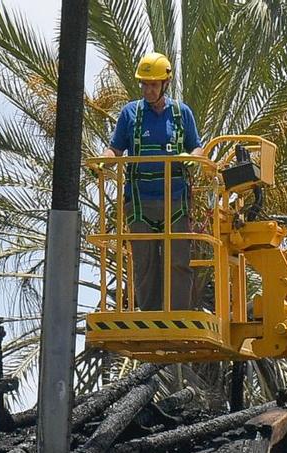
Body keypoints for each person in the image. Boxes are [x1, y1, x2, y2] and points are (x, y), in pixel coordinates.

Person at [110, 53, 204, 312]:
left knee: (178, 261)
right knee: (145, 261)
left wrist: (194, 158)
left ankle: (178, 315)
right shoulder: (131, 113)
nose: (148, 90)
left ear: (165, 84)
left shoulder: (181, 113)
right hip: (141, 202)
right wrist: (101, 162)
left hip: (175, 202)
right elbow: (115, 149)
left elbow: (197, 147)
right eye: (144, 84)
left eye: (153, 84)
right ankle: (150, 316)